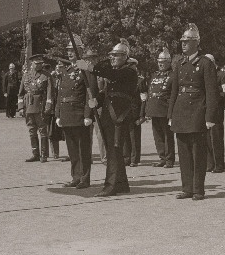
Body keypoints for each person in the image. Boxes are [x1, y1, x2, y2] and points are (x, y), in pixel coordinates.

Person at [74, 39, 137, 197]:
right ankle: (121, 184)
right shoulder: (115, 70)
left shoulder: (129, 71)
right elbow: (109, 92)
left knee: (114, 151)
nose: (113, 58)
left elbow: (112, 75)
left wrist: (89, 67)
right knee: (112, 149)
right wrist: (97, 100)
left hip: (119, 117)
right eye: (112, 56)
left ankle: (111, 185)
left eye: (116, 56)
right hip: (110, 115)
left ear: (125, 57)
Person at [167, 23, 220, 201]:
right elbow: (174, 91)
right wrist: (170, 114)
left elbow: (212, 92)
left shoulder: (205, 63)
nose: (184, 44)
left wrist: (210, 116)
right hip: (181, 112)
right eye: (182, 41)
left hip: (198, 112)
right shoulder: (179, 64)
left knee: (198, 154)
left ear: (196, 43)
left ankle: (198, 189)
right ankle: (186, 188)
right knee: (183, 154)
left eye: (188, 41)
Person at [56, 53, 96, 189]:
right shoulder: (65, 71)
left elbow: (90, 93)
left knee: (83, 149)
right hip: (67, 114)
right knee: (72, 149)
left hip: (79, 114)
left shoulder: (85, 70)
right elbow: (60, 94)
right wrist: (58, 114)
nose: (69, 53)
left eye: (73, 50)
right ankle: (76, 177)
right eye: (67, 50)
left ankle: (84, 178)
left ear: (80, 51)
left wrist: (88, 114)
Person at [145, 47, 175, 168]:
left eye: (163, 62)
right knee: (157, 136)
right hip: (154, 109)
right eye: (159, 62)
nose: (161, 64)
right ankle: (162, 157)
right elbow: (150, 91)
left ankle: (169, 159)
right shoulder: (154, 75)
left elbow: (172, 94)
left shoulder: (172, 75)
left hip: (165, 109)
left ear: (168, 62)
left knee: (167, 136)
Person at [19, 55, 51, 162]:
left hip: (40, 105)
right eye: (37, 63)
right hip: (28, 105)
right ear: (32, 63)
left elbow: (50, 93)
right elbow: (21, 93)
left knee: (42, 130)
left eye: (40, 63)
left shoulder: (46, 76)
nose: (39, 65)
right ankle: (35, 153)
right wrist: (20, 108)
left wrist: (48, 105)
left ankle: (44, 154)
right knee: (32, 131)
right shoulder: (26, 75)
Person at [205, 54, 225, 173]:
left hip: (217, 110)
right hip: (205, 109)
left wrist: (214, 97)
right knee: (206, 138)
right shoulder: (205, 74)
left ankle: (219, 165)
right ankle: (210, 164)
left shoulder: (222, 75)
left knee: (216, 138)